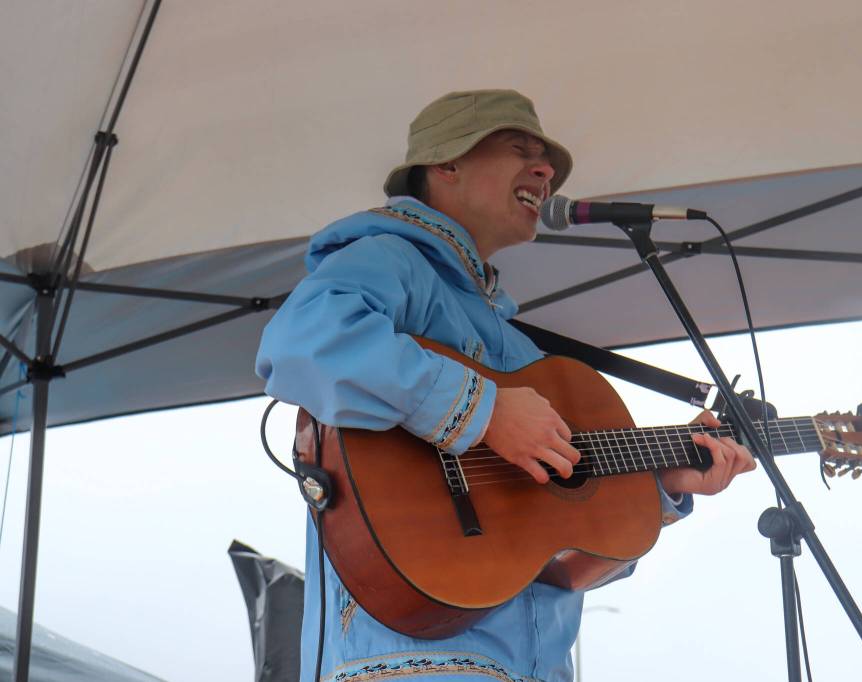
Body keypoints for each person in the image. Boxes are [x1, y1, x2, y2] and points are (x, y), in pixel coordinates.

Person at [256, 89, 755, 682]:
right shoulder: (389, 257)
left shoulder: (517, 347)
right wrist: (485, 413)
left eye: (546, 162)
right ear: (446, 164)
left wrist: (660, 487)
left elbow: (559, 551)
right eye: (521, 151)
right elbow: (301, 342)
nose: (546, 171)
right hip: (414, 663)